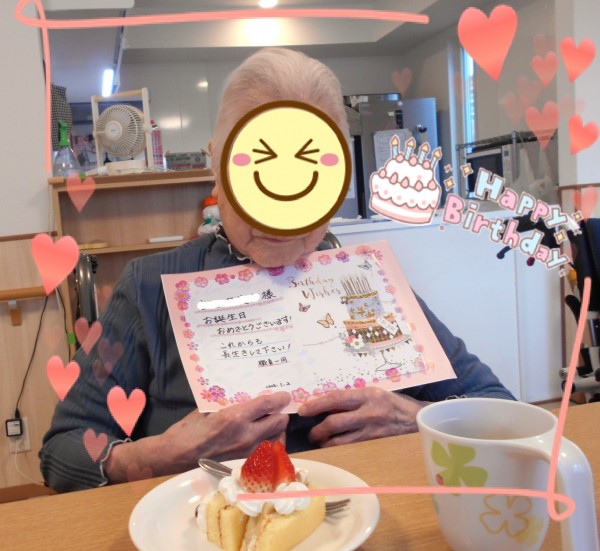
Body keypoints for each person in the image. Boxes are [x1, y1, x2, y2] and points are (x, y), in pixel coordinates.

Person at [40, 48, 514, 493]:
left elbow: (500, 409)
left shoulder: (367, 279)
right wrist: (160, 455)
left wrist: (413, 419)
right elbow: (62, 452)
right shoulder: (148, 289)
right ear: (216, 164)